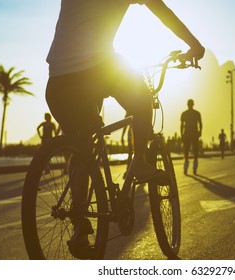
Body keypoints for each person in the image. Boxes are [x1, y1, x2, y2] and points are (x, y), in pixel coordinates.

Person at [45, 0, 205, 258]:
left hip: (57, 83)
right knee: (142, 99)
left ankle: (80, 226)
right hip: (97, 70)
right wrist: (195, 45)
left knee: (82, 146)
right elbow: (162, 11)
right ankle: (141, 163)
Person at [181, 99, 202, 174]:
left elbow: (200, 123)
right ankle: (188, 168)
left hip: (191, 134)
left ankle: (193, 168)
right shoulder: (195, 113)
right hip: (189, 134)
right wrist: (182, 134)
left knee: (194, 151)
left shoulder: (193, 113)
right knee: (187, 151)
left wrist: (200, 132)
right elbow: (182, 125)